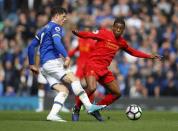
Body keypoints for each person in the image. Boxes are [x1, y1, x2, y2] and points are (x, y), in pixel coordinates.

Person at [72, 17, 162, 121]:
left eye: (121, 28)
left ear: (123, 30)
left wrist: (149, 56)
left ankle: (95, 109)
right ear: (113, 27)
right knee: (92, 88)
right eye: (117, 27)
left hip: (104, 69)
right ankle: (77, 108)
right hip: (92, 65)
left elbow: (132, 51)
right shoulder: (104, 33)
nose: (118, 30)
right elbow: (90, 35)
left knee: (117, 93)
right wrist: (79, 34)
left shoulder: (121, 42)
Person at [28, 6, 106, 122]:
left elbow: (31, 47)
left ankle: (52, 115)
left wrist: (32, 64)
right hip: (53, 62)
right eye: (64, 17)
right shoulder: (56, 27)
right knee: (74, 79)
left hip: (45, 67)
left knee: (63, 90)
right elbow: (57, 42)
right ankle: (89, 106)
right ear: (56, 16)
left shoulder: (43, 29)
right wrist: (67, 56)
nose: (65, 19)